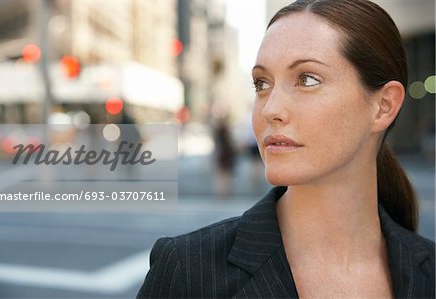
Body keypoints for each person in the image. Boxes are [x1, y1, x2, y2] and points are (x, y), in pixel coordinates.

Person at [136, 0, 435, 298]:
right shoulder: (186, 271)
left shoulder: (429, 272)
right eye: (262, 84)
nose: (271, 108)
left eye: (307, 79)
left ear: (383, 106)